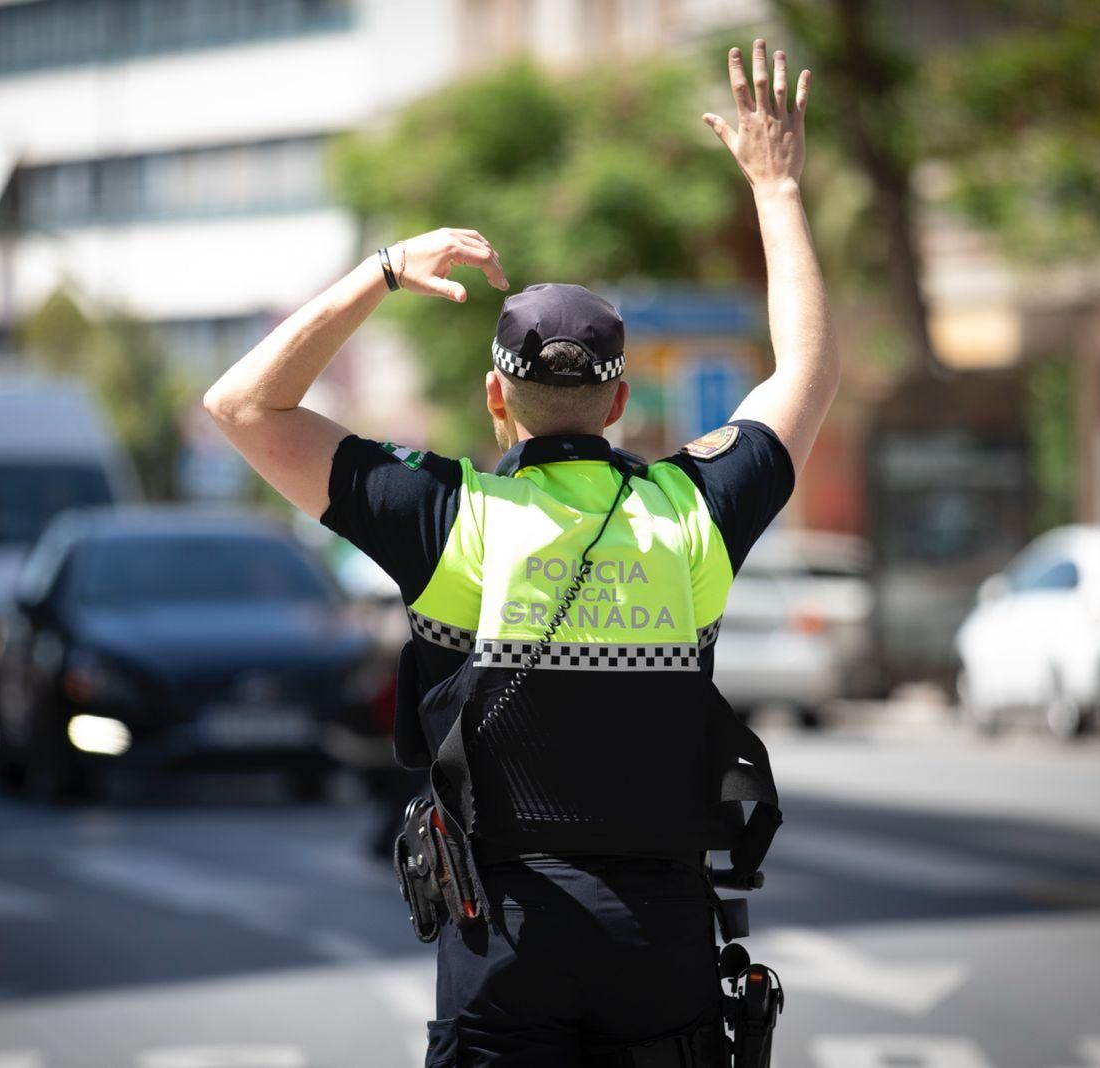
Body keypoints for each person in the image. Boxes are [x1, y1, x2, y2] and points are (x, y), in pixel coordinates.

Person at [204, 39, 835, 1067]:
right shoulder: (690, 514)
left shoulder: (450, 520)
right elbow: (807, 369)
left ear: (496, 398)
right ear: (622, 401)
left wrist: (379, 274)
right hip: (663, 940)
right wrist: (774, 186)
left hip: (504, 938)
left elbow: (242, 405)